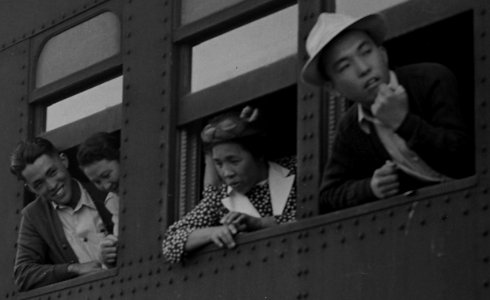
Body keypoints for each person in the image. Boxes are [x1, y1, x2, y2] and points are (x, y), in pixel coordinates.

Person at [301, 13, 472, 212]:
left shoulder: (432, 79)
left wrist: (403, 122)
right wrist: (370, 188)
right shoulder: (350, 127)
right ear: (333, 89)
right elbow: (328, 196)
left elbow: (466, 156)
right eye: (345, 66)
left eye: (366, 52)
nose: (363, 68)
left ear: (382, 54)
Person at [162, 107, 296, 264]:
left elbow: (315, 213)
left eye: (234, 161)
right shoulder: (219, 198)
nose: (226, 173)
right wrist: (213, 232)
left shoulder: (297, 170)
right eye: (218, 163)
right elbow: (170, 242)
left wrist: (259, 223)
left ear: (259, 154)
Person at [9, 137, 117, 291]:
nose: (52, 185)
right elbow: (23, 274)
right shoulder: (34, 216)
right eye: (39, 184)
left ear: (64, 160)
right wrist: (75, 269)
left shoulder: (102, 188)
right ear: (30, 188)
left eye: (52, 172)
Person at [77, 132, 120, 267]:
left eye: (107, 175)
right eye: (97, 182)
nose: (106, 185)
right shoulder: (113, 200)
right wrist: (105, 257)